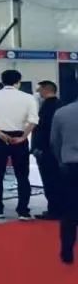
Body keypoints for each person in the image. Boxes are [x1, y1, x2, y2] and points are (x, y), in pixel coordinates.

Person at [0, 70, 38, 220]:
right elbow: (33, 121)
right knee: (22, 175)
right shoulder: (28, 98)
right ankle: (23, 211)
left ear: (2, 81)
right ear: (18, 81)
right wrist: (23, 137)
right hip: (19, 137)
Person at [50, 98, 78, 264]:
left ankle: (67, 252)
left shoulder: (62, 113)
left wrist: (61, 160)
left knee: (69, 211)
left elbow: (54, 141)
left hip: (70, 165)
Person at [34, 81, 64, 220]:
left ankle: (54, 209)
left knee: (50, 180)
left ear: (46, 89)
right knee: (59, 180)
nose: (38, 92)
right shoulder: (61, 105)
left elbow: (42, 130)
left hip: (46, 150)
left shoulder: (47, 107)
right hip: (59, 149)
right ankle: (61, 208)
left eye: (39, 89)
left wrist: (37, 148)